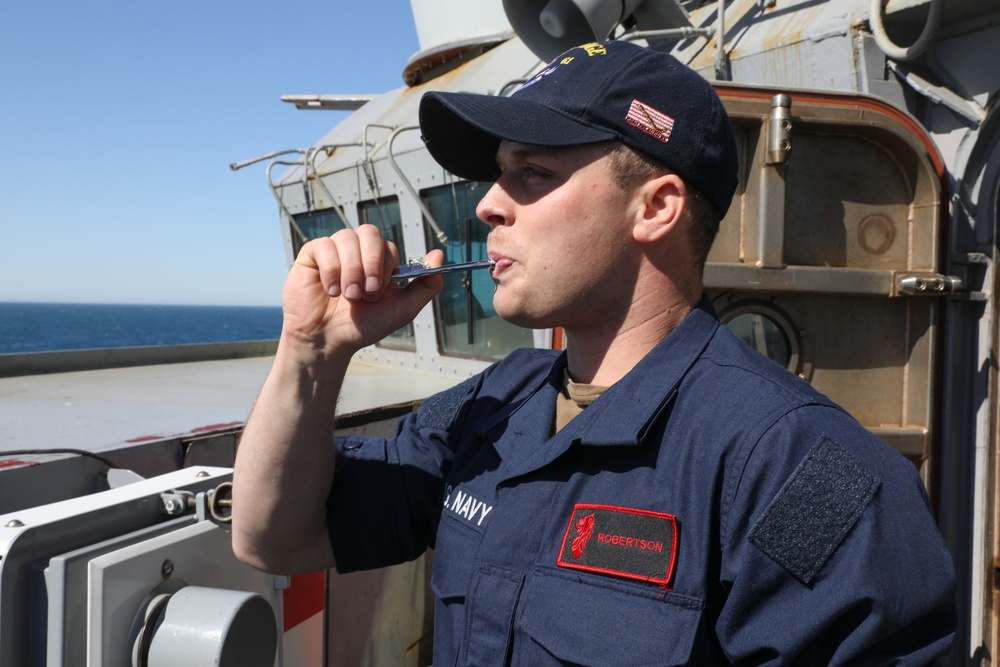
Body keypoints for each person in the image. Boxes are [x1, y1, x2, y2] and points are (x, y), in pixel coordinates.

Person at [232, 40, 956, 664]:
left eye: (533, 173)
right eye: (498, 173)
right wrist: (311, 351)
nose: (488, 204)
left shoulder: (800, 467)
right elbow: (277, 539)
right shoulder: (495, 405)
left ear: (656, 208)